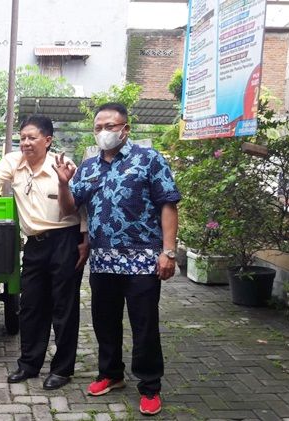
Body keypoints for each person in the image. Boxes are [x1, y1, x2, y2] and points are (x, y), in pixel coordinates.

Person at [55, 102, 180, 416]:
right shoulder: (89, 166)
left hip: (143, 260)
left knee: (144, 324)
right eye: (98, 127)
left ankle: (150, 386)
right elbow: (70, 208)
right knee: (104, 321)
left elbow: (168, 204)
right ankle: (110, 374)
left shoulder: (149, 160)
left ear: (126, 129)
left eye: (110, 126)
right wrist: (62, 182)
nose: (103, 133)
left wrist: (168, 252)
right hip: (103, 261)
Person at [0, 114, 89, 390]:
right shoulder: (14, 161)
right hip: (34, 243)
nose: (25, 142)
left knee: (64, 308)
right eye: (22, 137)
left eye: (32, 137)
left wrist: (85, 239)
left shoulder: (65, 165)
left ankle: (62, 369)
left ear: (47, 140)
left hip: (65, 240)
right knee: (31, 307)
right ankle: (29, 364)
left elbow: (83, 207)